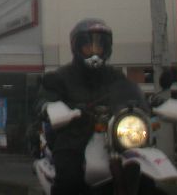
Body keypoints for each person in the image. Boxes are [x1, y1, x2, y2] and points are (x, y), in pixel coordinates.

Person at [36, 18, 148, 195]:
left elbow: (131, 94)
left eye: (99, 46)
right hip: (74, 136)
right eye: (88, 46)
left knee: (144, 173)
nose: (94, 51)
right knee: (70, 178)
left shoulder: (115, 76)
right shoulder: (61, 76)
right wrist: (51, 107)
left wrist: (147, 105)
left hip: (114, 137)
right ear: (77, 47)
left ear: (106, 48)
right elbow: (46, 99)